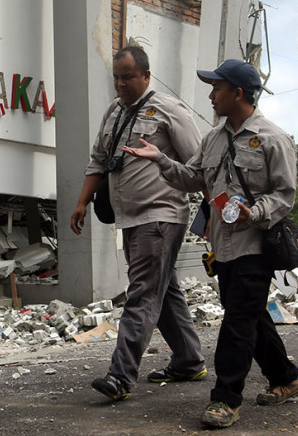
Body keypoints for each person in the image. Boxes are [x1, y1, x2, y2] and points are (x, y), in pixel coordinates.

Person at [123, 58, 298, 429]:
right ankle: (286, 377)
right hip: (222, 247)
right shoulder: (214, 138)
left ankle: (226, 398)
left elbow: (285, 195)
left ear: (237, 93)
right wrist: (160, 158)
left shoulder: (272, 138)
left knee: (237, 320)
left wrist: (255, 212)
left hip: (255, 245)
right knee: (250, 316)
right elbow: (192, 178)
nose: (210, 95)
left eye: (216, 88)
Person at [70, 45, 206, 402]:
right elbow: (98, 160)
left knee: (143, 293)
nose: (120, 84)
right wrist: (82, 201)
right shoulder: (113, 112)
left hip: (161, 215)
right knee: (164, 290)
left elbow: (199, 164)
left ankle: (121, 376)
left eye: (128, 77)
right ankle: (190, 360)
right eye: (116, 77)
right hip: (130, 219)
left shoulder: (168, 109)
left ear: (146, 75)